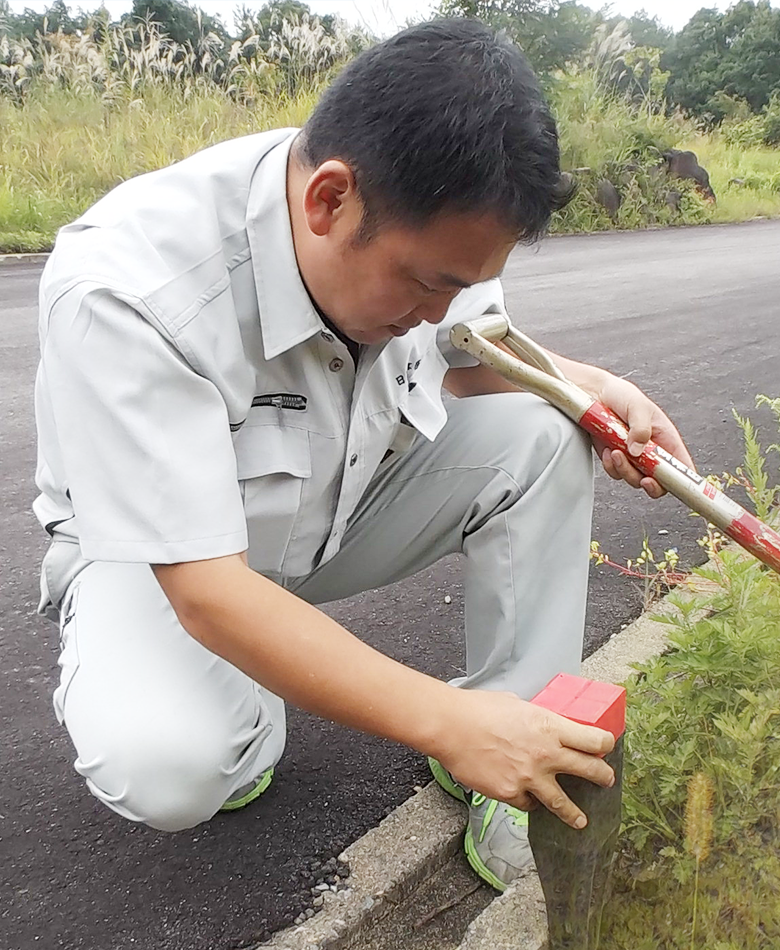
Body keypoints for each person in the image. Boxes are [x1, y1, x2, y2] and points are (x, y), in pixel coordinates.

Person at [31, 19, 694, 891]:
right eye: (426, 284)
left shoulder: (422, 212)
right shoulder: (130, 292)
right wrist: (445, 720)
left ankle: (521, 739)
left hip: (333, 507)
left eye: (461, 282)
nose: (436, 309)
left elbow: (469, 353)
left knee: (544, 433)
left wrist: (588, 386)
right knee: (174, 766)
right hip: (169, 560)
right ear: (327, 201)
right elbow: (205, 587)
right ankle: (272, 710)